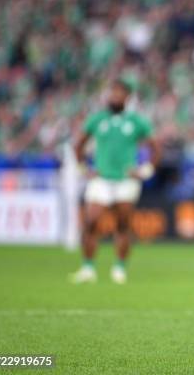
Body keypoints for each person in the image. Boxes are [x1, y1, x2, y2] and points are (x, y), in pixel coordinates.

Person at [69, 80, 160, 284]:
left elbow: (156, 147)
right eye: (113, 93)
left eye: (120, 93)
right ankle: (88, 268)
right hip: (101, 179)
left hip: (126, 180)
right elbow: (79, 145)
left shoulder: (137, 121)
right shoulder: (97, 119)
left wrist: (146, 170)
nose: (115, 96)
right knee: (91, 221)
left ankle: (119, 268)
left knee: (122, 225)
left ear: (127, 97)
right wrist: (84, 169)